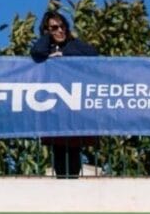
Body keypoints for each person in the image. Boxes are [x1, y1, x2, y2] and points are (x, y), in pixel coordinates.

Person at [29, 9, 98, 179]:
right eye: (54, 28)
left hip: (74, 109)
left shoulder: (73, 44)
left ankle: (72, 184)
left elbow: (93, 54)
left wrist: (64, 55)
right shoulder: (46, 46)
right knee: (58, 153)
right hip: (55, 109)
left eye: (62, 27)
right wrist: (48, 37)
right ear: (47, 30)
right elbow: (36, 52)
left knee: (74, 153)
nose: (60, 30)